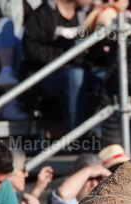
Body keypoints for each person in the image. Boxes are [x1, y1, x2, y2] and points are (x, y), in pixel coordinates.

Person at [23, 0, 95, 132]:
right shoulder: (42, 14)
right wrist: (68, 54)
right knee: (75, 76)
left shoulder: (87, 15)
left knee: (105, 75)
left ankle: (108, 137)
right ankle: (76, 137)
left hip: (82, 69)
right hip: (46, 74)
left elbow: (94, 53)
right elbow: (32, 50)